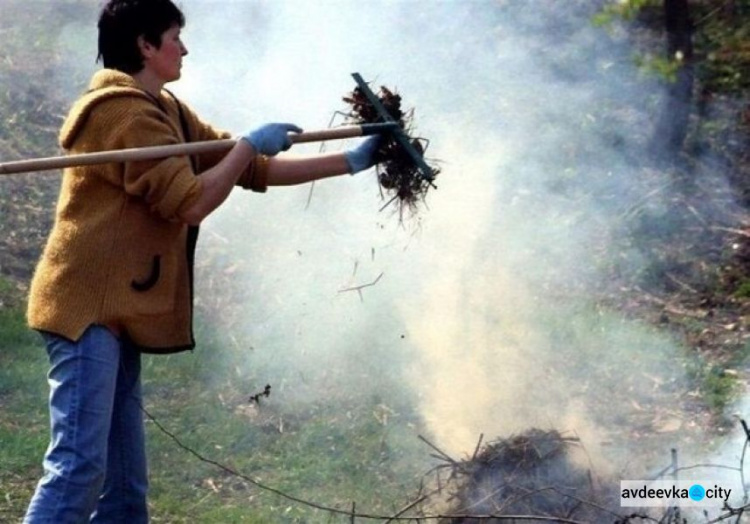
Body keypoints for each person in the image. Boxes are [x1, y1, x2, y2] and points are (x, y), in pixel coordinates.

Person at [23, 0, 382, 522]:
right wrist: (243, 149)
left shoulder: (164, 109)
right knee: (78, 469)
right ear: (146, 45)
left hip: (117, 310)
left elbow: (245, 167)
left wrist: (348, 162)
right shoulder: (119, 113)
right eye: (174, 36)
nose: (184, 47)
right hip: (86, 309)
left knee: (124, 488)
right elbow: (191, 200)